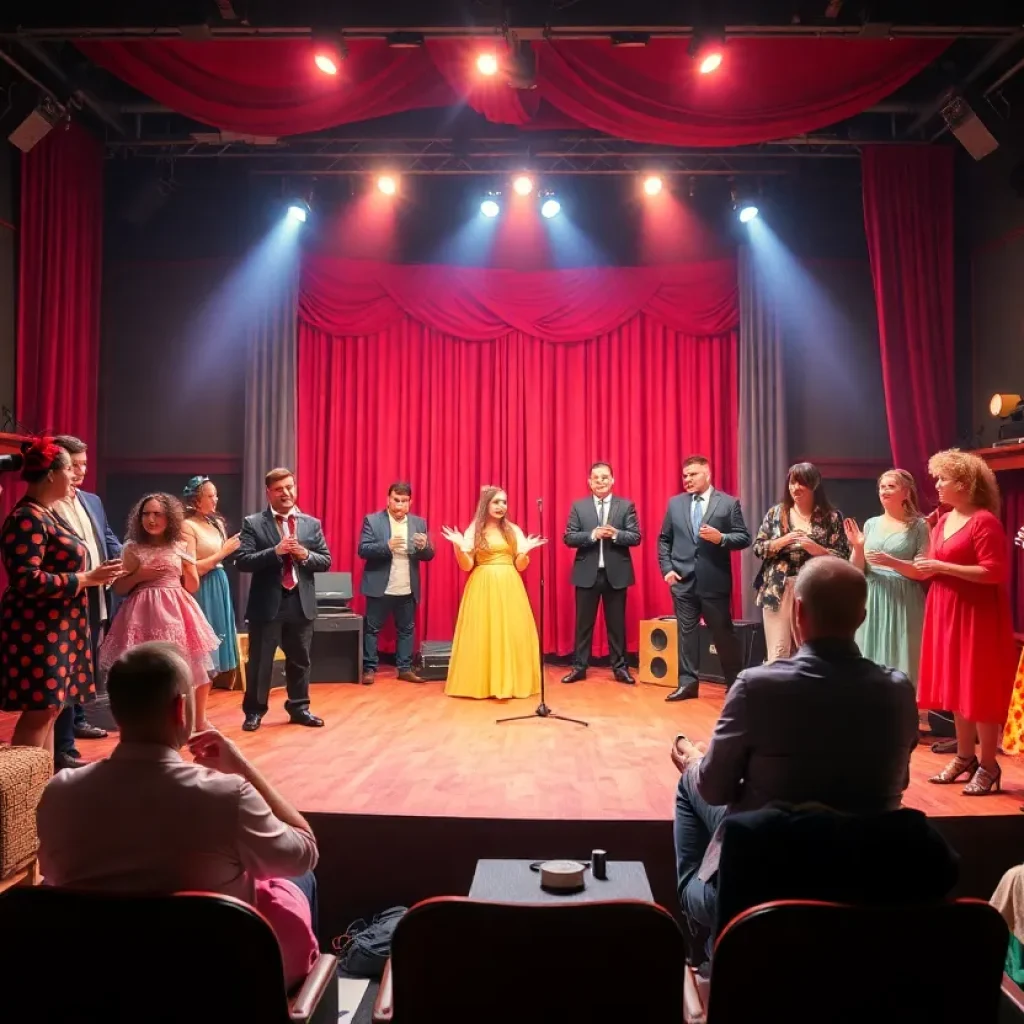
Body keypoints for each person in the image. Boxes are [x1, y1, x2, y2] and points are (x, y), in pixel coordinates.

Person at [37, 642, 319, 992]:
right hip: (211, 984)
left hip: (98, 983)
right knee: (299, 880)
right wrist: (244, 768)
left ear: (117, 710)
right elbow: (305, 852)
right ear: (180, 708)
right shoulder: (227, 796)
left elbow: (50, 874)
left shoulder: (61, 792)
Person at [671, 556, 918, 942]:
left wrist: (698, 762)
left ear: (797, 611)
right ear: (863, 616)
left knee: (690, 781)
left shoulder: (756, 686)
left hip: (761, 888)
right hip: (861, 880)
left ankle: (712, 943)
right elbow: (897, 783)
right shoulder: (898, 689)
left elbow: (714, 790)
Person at [0, 440, 121, 756]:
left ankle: (41, 788)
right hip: (38, 629)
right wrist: (86, 578)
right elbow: (26, 578)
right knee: (40, 710)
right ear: (52, 474)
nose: (75, 474)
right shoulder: (28, 517)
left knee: (51, 711)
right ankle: (20, 793)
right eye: (69, 468)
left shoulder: (47, 514)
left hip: (58, 626)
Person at [916, 449, 1017, 796]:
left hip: (976, 615)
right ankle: (965, 757)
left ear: (964, 483)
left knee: (979, 689)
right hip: (946, 610)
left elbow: (995, 571)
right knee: (958, 689)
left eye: (943, 479)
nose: (938, 485)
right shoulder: (944, 520)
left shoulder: (984, 521)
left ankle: (989, 764)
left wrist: (942, 568)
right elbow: (932, 564)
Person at [100, 492, 220, 731]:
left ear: (170, 517)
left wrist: (189, 567)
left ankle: (197, 720)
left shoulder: (180, 545)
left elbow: (192, 586)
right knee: (144, 669)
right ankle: (145, 723)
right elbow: (119, 588)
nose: (151, 520)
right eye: (146, 514)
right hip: (142, 612)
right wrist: (140, 575)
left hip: (177, 608)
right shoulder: (132, 548)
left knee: (192, 665)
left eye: (157, 514)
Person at [236, 467, 332, 731]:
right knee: (261, 661)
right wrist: (274, 552)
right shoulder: (253, 523)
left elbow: (325, 560)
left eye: (290, 487)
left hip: (300, 602)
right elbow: (243, 561)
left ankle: (299, 708)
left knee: (300, 659)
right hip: (267, 605)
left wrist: (305, 556)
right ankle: (254, 711)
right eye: (280, 489)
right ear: (269, 492)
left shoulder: (311, 524)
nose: (287, 493)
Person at [51, 434, 124, 768]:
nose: (80, 472)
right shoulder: (46, 504)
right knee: (66, 669)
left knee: (84, 663)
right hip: (66, 596)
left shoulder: (91, 500)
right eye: (74, 465)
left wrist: (125, 561)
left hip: (97, 594)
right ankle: (63, 748)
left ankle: (77, 718)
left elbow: (107, 538)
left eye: (83, 465)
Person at [657, 455, 751, 702]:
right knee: (686, 634)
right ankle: (687, 683)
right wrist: (667, 569)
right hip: (682, 581)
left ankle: (734, 683)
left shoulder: (728, 504)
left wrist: (721, 538)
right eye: (685, 475)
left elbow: (743, 537)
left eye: (693, 474)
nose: (687, 479)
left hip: (714, 581)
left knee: (722, 633)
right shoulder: (675, 504)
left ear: (707, 475)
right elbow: (664, 539)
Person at [441, 486, 546, 700]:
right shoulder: (474, 530)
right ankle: (483, 683)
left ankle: (510, 682)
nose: (501, 506)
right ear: (485, 504)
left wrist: (525, 553)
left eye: (504, 502)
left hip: (510, 585)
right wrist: (459, 548)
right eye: (496, 502)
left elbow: (521, 565)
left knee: (511, 631)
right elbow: (466, 565)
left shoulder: (513, 530)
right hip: (482, 585)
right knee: (484, 632)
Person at [843, 469, 930, 724]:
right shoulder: (870, 524)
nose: (884, 491)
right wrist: (858, 547)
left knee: (904, 655)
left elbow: (922, 571)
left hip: (904, 598)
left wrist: (892, 562)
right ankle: (871, 717)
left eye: (891, 486)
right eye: (882, 487)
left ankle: (903, 720)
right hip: (873, 596)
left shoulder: (919, 525)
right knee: (870, 653)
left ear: (906, 491)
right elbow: (856, 569)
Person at [753, 461, 849, 663]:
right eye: (792, 483)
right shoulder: (776, 514)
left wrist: (818, 550)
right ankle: (779, 694)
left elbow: (843, 557)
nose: (795, 488)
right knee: (778, 652)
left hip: (815, 589)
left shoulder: (831, 517)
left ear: (814, 485)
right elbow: (758, 548)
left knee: (812, 651)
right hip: (778, 588)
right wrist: (783, 541)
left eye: (801, 483)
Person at [562, 462, 642, 685]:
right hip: (587, 573)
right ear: (589, 482)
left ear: (613, 480)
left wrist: (616, 534)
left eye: (605, 477)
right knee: (583, 625)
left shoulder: (625, 506)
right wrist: (592, 535)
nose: (600, 481)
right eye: (596, 478)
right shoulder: (579, 507)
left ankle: (620, 668)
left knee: (617, 625)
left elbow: (636, 537)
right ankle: (579, 667)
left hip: (616, 574)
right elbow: (569, 537)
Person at [357, 482, 435, 686]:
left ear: (410, 502)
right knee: (372, 629)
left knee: (406, 629)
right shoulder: (373, 521)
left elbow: (429, 555)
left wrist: (424, 546)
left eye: (404, 501)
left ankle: (405, 668)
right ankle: (369, 669)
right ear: (388, 500)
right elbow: (363, 549)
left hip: (407, 586)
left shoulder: (419, 523)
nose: (399, 505)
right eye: (396, 500)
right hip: (380, 585)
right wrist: (387, 546)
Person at [182, 476, 241, 686]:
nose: (215, 499)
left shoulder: (215, 522)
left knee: (219, 634)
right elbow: (191, 567)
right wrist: (222, 553)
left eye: (216, 495)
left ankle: (211, 689)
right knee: (202, 643)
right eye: (210, 495)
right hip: (202, 585)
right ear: (196, 500)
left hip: (219, 581)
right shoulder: (187, 526)